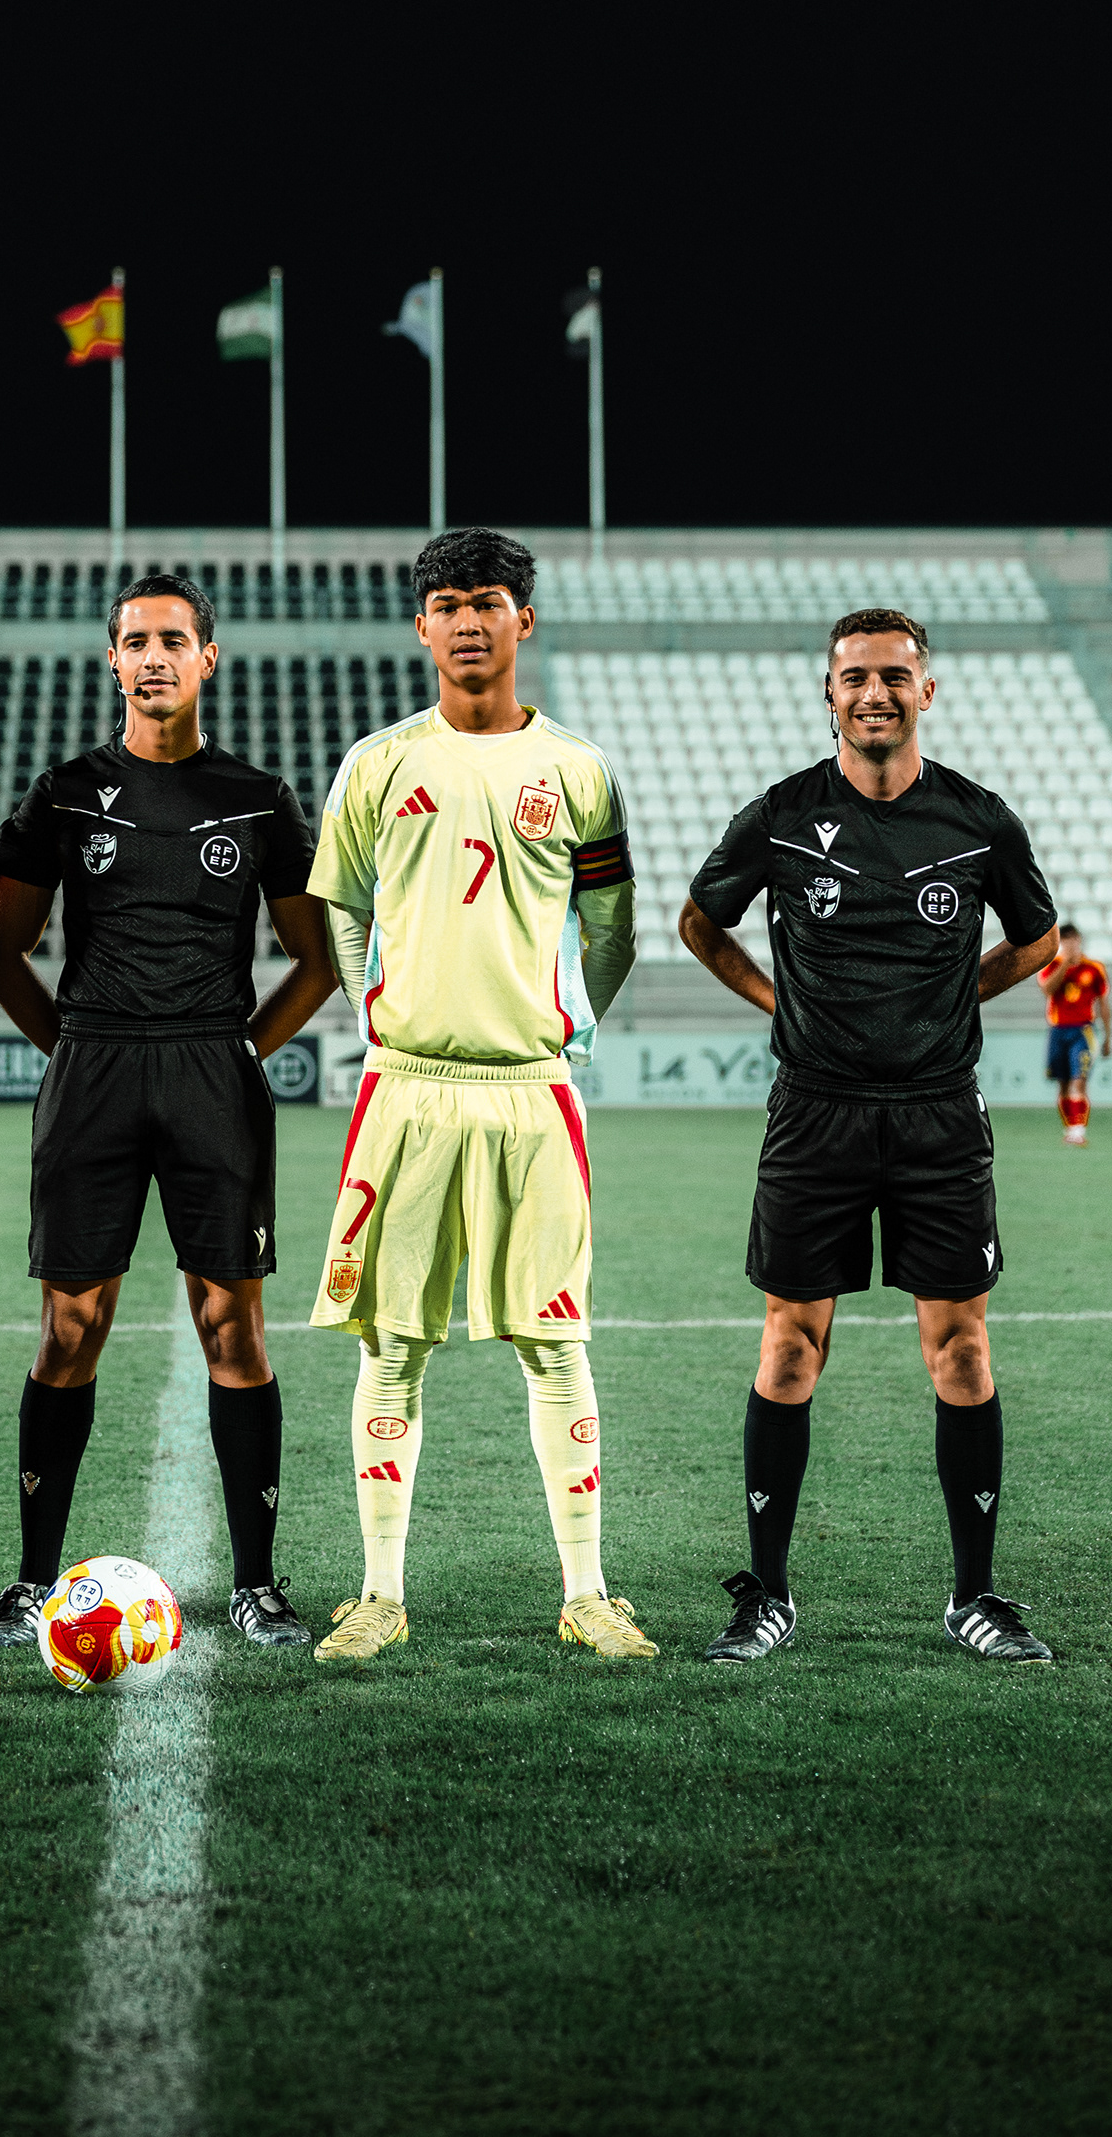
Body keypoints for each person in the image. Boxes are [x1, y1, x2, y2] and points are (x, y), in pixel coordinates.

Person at [680, 608, 1060, 1665]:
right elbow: (700, 923)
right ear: (830, 691)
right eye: (855, 677)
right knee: (789, 1348)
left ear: (925, 691)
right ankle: (768, 1596)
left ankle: (975, 1597)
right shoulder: (782, 816)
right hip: (816, 1113)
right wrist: (781, 1004)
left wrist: (952, 1000)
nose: (874, 693)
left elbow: (1037, 940)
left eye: (894, 676)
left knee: (962, 1352)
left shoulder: (980, 822)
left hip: (940, 1117)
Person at [306, 527, 650, 1665]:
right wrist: (381, 1010)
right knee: (392, 1343)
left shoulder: (580, 770)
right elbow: (341, 909)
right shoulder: (377, 764)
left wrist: (564, 1024)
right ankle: (379, 1595)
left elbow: (611, 928)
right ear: (422, 626)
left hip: (531, 1092)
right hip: (407, 1087)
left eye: (488, 601)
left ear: (523, 620)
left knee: (555, 1345)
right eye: (448, 603)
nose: (467, 621)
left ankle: (589, 1593)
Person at [0, 574, 335, 1652]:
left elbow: (316, 960)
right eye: (135, 641)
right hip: (94, 1071)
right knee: (69, 1327)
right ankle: (34, 1581)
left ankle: (258, 1585)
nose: (154, 657)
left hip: (212, 1074)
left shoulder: (258, 797)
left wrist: (239, 1052)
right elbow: (2, 952)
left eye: (173, 640)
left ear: (207, 658)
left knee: (234, 1325)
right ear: (112, 660)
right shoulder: (65, 793)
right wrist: (73, 1049)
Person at [1039, 925, 1111, 1144]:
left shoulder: (1094, 968)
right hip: (1057, 1030)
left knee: (1079, 1080)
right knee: (1062, 1082)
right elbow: (1047, 990)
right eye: (1065, 940)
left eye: (1073, 940)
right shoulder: (1052, 965)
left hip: (1083, 1030)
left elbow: (1103, 1003)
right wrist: (1065, 965)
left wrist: (1108, 1036)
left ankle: (1078, 1130)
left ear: (1079, 940)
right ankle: (1070, 1127)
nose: (1070, 944)